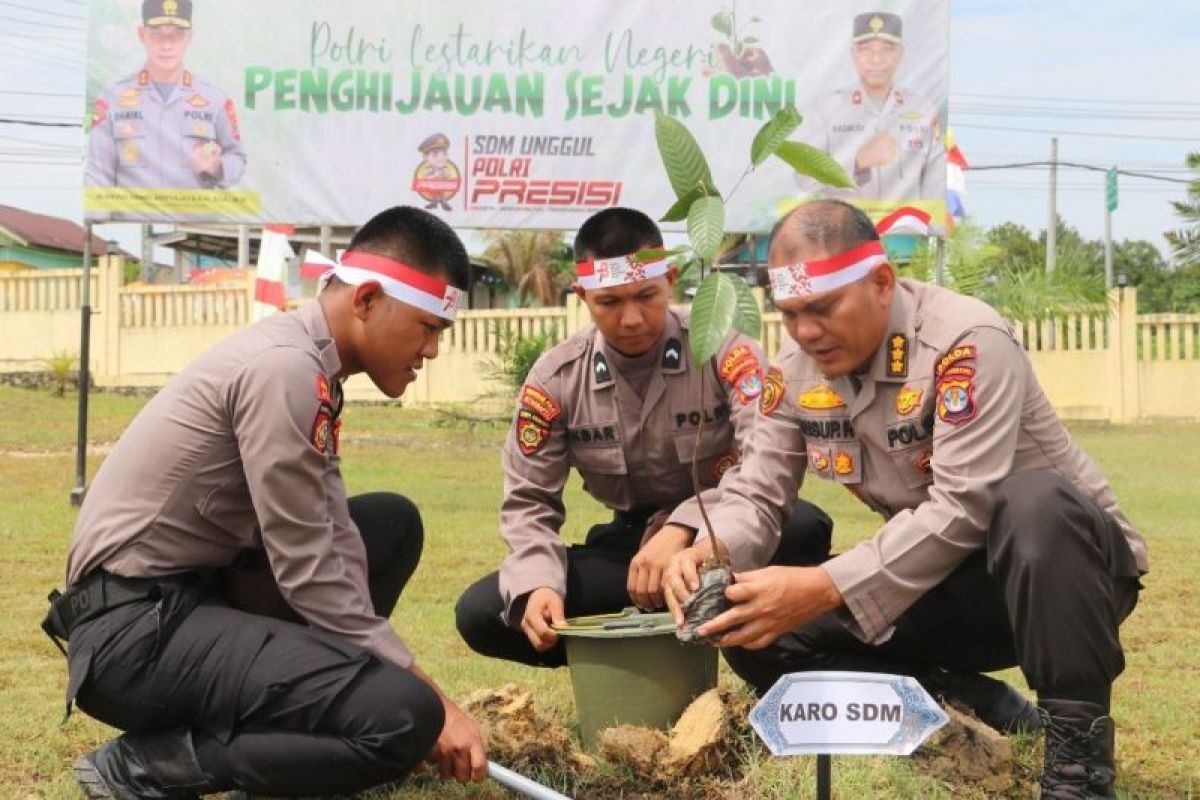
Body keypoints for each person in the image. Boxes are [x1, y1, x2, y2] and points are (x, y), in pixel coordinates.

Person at [661, 199, 1148, 799]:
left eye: (823, 308)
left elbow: (965, 506)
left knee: (1033, 503)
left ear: (881, 281)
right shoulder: (794, 373)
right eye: (790, 315)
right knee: (756, 625)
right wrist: (711, 548)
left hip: (1061, 578)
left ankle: (1077, 768)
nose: (807, 331)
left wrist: (827, 585)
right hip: (933, 583)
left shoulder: (965, 341)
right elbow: (759, 493)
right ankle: (973, 706)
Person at [42, 207, 486, 798]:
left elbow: (331, 535)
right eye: (428, 328)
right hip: (134, 636)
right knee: (404, 716)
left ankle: (307, 735)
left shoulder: (313, 365)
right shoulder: (285, 368)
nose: (430, 351)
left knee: (387, 523)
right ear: (368, 300)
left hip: (189, 600)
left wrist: (385, 668)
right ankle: (149, 765)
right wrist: (431, 696)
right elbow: (308, 568)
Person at [455, 207, 833, 667]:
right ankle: (648, 642)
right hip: (631, 559)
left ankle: (720, 619)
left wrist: (685, 528)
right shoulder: (556, 379)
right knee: (484, 612)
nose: (631, 318)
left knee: (801, 527)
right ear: (582, 295)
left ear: (670, 279)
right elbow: (528, 501)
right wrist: (539, 586)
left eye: (646, 296)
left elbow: (764, 467)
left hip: (723, 532)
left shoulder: (721, 350)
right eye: (609, 303)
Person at [85, 0, 247, 190]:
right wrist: (96, 219)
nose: (166, 45)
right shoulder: (112, 97)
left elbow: (237, 157)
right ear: (142, 35)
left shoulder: (215, 98)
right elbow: (98, 172)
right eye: (156, 34)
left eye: (177, 35)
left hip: (195, 218)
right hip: (132, 219)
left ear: (189, 37)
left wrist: (218, 167)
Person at [795, 11, 944, 202]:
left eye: (887, 49)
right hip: (845, 228)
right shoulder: (828, 108)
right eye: (866, 49)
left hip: (904, 227)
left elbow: (936, 182)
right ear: (853, 54)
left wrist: (936, 228)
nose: (876, 59)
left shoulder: (923, 109)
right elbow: (804, 178)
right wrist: (857, 161)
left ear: (900, 54)